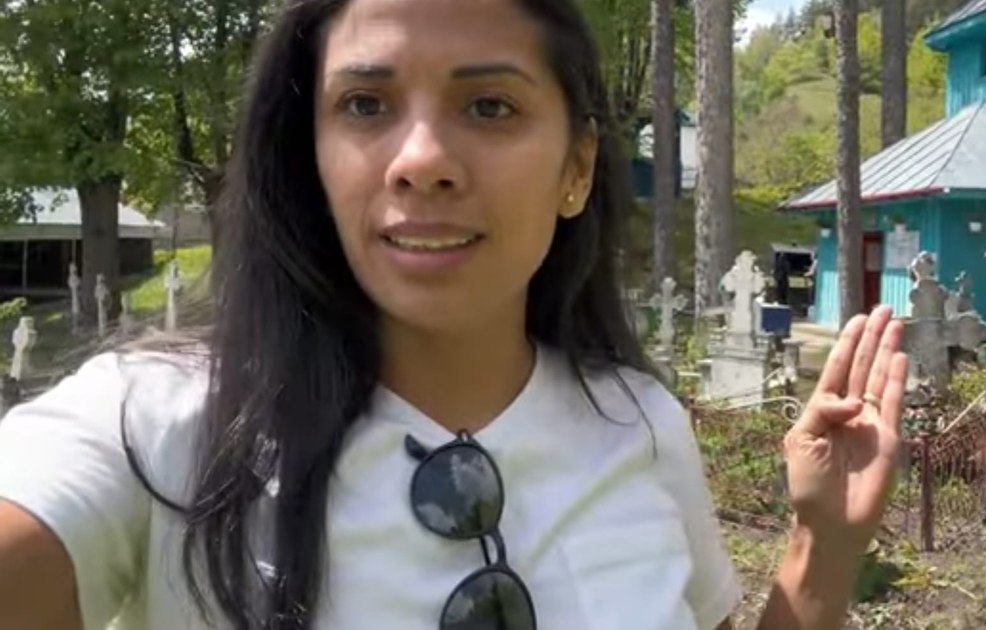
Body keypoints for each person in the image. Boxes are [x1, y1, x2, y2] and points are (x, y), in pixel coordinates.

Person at [0, 0, 908, 628]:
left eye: (489, 105)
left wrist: (821, 551)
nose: (422, 159)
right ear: (311, 158)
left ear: (577, 170)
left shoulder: (638, 421)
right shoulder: (155, 426)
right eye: (365, 104)